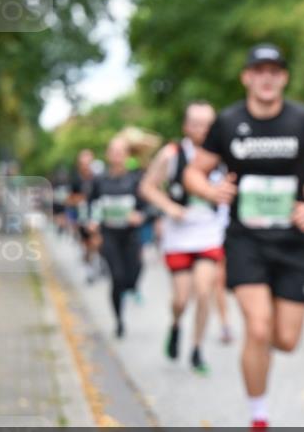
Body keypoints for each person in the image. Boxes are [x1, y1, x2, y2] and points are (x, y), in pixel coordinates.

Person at [184, 43, 304, 432]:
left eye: (275, 70)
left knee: (285, 340)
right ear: (247, 77)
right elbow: (194, 173)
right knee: (257, 326)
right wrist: (211, 190)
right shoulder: (228, 121)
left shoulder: (303, 120)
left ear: (284, 78)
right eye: (259, 70)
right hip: (246, 240)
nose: (267, 77)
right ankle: (259, 417)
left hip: (293, 242)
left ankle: (265, 342)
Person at [139, 101, 225, 374]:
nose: (202, 130)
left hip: (209, 232)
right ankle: (175, 325)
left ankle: (197, 349)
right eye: (197, 124)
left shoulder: (224, 153)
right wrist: (170, 208)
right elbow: (147, 187)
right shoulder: (172, 154)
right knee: (181, 298)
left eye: (208, 124)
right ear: (187, 127)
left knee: (203, 291)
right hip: (179, 235)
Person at [88, 136, 147, 338]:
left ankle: (132, 288)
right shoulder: (99, 180)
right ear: (107, 154)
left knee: (135, 271)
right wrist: (92, 223)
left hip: (130, 235)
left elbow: (147, 206)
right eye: (113, 151)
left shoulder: (135, 179)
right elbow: (92, 205)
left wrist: (141, 215)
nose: (117, 155)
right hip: (109, 235)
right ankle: (119, 320)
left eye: (121, 152)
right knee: (117, 278)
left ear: (127, 155)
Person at [68, 150, 101, 283]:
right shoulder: (76, 179)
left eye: (89, 163)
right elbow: (70, 199)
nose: (86, 166)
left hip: (96, 214)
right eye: (84, 163)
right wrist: (80, 199)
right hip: (81, 216)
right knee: (86, 245)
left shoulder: (98, 178)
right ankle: (89, 267)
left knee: (97, 241)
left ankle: (96, 263)